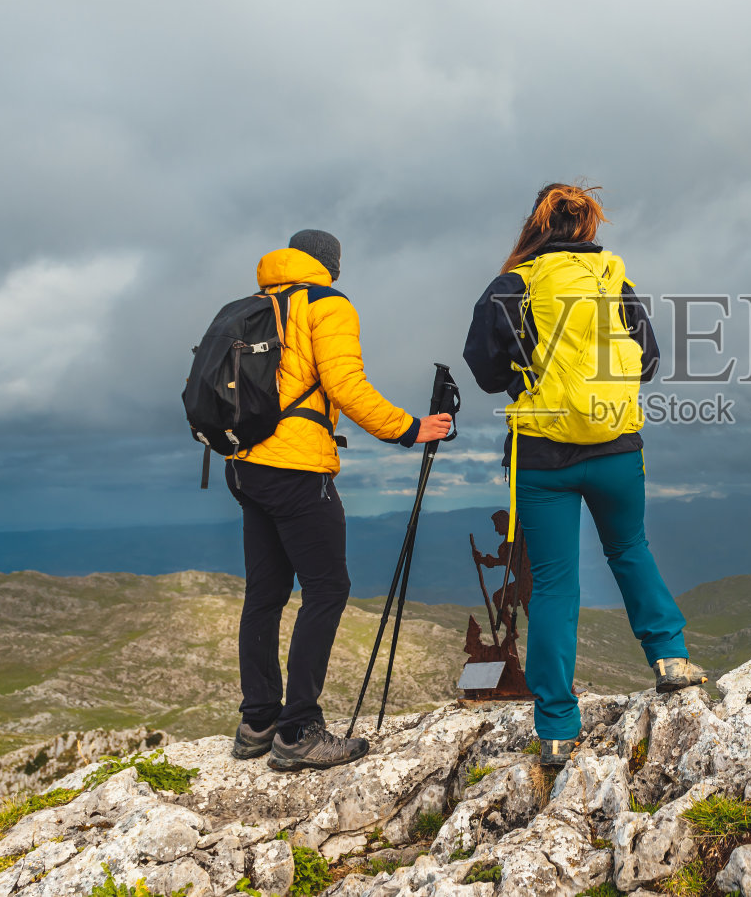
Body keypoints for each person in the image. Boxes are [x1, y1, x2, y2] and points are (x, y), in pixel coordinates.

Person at [463, 184, 705, 768]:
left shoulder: (514, 284)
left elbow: (483, 366)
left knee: (551, 584)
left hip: (543, 456)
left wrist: (528, 379)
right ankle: (670, 659)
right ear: (589, 225)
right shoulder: (613, 280)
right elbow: (647, 358)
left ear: (535, 225)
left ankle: (556, 727)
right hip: (618, 447)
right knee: (630, 548)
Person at [229, 229, 452, 771]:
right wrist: (410, 429)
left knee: (265, 591)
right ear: (330, 264)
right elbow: (346, 385)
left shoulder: (255, 306)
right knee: (328, 587)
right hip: (298, 466)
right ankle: (298, 730)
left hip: (243, 466)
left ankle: (257, 721)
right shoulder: (325, 304)